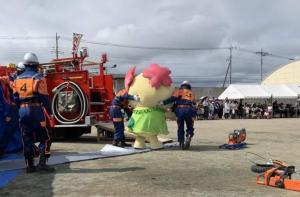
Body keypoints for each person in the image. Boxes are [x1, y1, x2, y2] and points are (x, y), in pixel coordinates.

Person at [13, 53, 54, 173]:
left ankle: (30, 165)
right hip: (36, 110)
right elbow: (44, 98)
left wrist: (21, 109)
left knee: (26, 137)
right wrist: (50, 113)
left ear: (25, 65)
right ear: (36, 64)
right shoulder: (39, 77)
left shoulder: (17, 79)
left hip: (22, 111)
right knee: (45, 137)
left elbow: (15, 98)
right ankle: (42, 163)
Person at [161, 81, 195, 150]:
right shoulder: (191, 93)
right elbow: (194, 102)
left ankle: (181, 142)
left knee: (180, 127)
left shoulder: (179, 91)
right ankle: (189, 135)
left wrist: (163, 102)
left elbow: (172, 99)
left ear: (182, 86)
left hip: (180, 110)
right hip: (189, 110)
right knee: (190, 126)